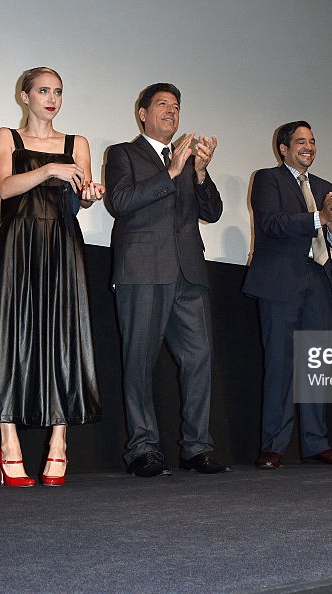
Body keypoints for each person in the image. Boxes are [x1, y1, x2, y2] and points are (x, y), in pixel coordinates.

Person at [0, 67, 104, 487]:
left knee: (63, 338)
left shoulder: (76, 143)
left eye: (58, 91)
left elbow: (78, 202)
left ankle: (58, 446)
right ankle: (8, 445)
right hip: (17, 244)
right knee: (10, 337)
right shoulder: (6, 136)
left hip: (62, 245)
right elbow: (5, 188)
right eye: (43, 90)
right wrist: (49, 171)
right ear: (24, 95)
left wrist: (88, 194)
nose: (52, 98)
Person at [104, 82, 230, 477]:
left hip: (189, 273)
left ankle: (197, 448)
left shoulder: (190, 161)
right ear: (142, 113)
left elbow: (212, 212)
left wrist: (201, 171)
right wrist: (173, 170)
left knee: (199, 360)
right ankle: (143, 449)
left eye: (176, 107)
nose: (171, 112)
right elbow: (119, 202)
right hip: (142, 270)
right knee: (138, 361)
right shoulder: (123, 153)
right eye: (162, 105)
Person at [243, 121, 332, 469]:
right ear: (283, 148)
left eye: (312, 141)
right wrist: (318, 217)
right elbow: (271, 224)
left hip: (318, 282)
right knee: (280, 365)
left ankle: (316, 444)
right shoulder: (267, 179)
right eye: (301, 141)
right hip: (280, 283)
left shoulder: (326, 186)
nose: (308, 147)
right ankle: (273, 445)